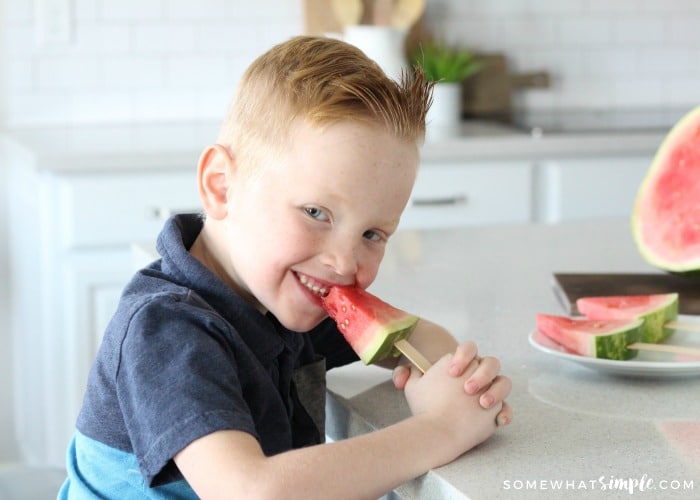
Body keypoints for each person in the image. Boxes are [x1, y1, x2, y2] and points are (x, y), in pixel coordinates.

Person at [58, 35, 512, 499]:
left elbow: (419, 339)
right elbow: (251, 492)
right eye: (316, 213)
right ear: (221, 187)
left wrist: (460, 380)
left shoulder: (276, 297)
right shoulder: (165, 330)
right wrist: (440, 431)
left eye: (372, 234)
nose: (343, 262)